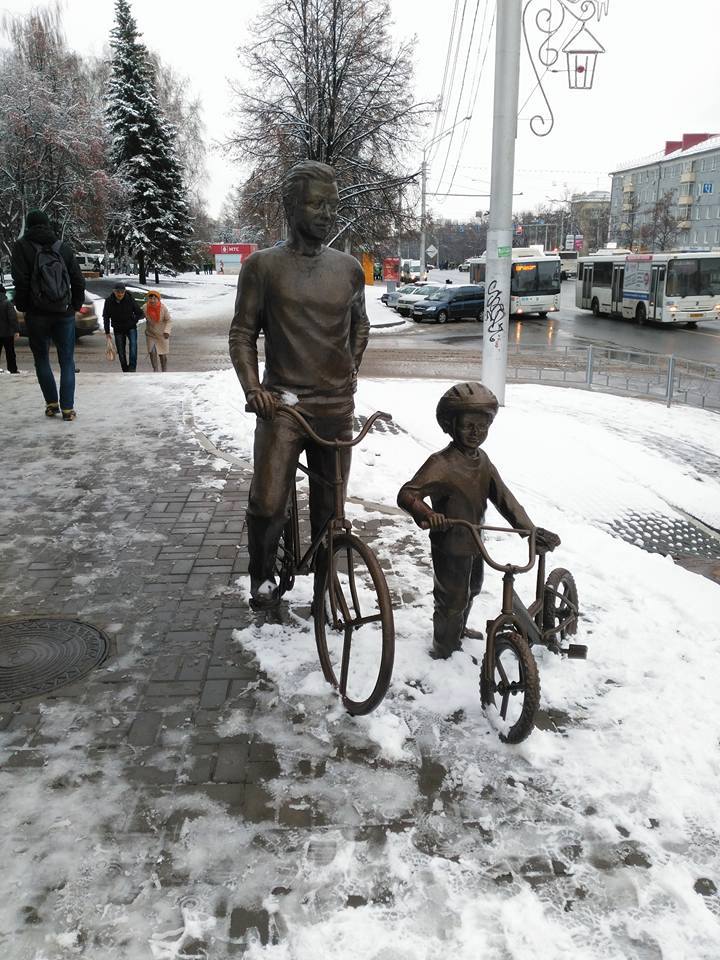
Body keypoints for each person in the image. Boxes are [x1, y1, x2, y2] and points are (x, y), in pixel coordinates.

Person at [229, 160, 370, 609]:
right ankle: (262, 574)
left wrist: (351, 368)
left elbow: (361, 325)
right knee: (268, 502)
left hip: (335, 407)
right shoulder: (262, 267)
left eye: (332, 204)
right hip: (283, 407)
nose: (327, 213)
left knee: (332, 510)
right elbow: (242, 333)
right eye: (316, 204)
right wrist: (254, 389)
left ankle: (326, 586)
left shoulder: (348, 269)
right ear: (291, 207)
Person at [397, 382, 560, 660]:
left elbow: (504, 498)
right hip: (450, 546)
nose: (476, 433)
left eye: (483, 426)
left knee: (472, 589)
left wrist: (529, 532)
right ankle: (444, 648)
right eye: (468, 426)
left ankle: (458, 631)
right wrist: (428, 514)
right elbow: (407, 494)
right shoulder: (441, 464)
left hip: (475, 542)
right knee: (451, 599)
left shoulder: (482, 460)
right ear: (451, 425)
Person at [10, 209, 85, 420]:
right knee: (67, 361)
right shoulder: (62, 247)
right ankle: (68, 409)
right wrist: (75, 305)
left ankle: (52, 404)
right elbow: (78, 280)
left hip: (37, 314)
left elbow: (21, 281)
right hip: (64, 312)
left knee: (41, 358)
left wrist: (23, 306)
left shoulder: (21, 247)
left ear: (29, 225)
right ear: (47, 225)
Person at [103, 281, 143, 372]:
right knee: (121, 351)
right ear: (114, 291)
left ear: (125, 292)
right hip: (118, 328)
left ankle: (132, 368)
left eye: (122, 292)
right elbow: (106, 316)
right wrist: (107, 332)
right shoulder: (109, 301)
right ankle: (125, 369)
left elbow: (139, 312)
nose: (120, 294)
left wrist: (134, 321)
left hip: (130, 327)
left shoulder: (129, 299)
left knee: (133, 346)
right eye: (118, 292)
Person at [143, 290, 172, 371]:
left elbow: (169, 320)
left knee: (162, 355)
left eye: (154, 298)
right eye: (150, 298)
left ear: (158, 299)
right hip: (150, 334)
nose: (152, 300)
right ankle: (155, 370)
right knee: (152, 352)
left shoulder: (163, 308)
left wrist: (167, 331)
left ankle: (164, 371)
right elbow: (140, 315)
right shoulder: (145, 307)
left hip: (162, 334)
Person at [0, 284, 20, 373]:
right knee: (10, 352)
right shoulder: (7, 303)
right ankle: (12, 369)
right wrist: (16, 330)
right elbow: (12, 318)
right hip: (7, 333)